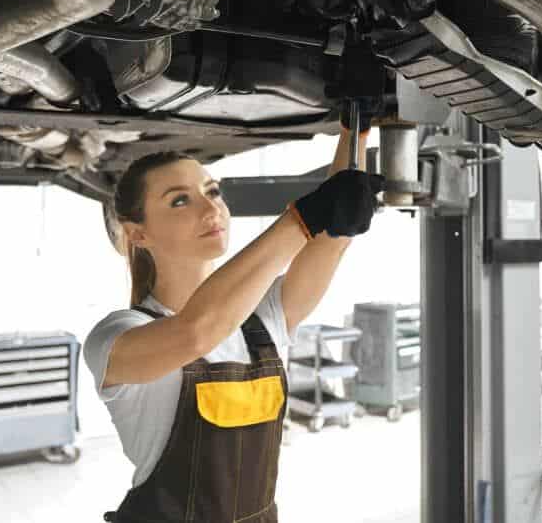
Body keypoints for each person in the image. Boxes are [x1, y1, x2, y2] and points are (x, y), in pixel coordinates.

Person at [84, 113, 382, 523]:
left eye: (213, 191)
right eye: (180, 200)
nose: (212, 208)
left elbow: (334, 239)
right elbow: (196, 333)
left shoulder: (263, 322)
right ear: (138, 234)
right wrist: (301, 219)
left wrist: (355, 129)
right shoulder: (117, 337)